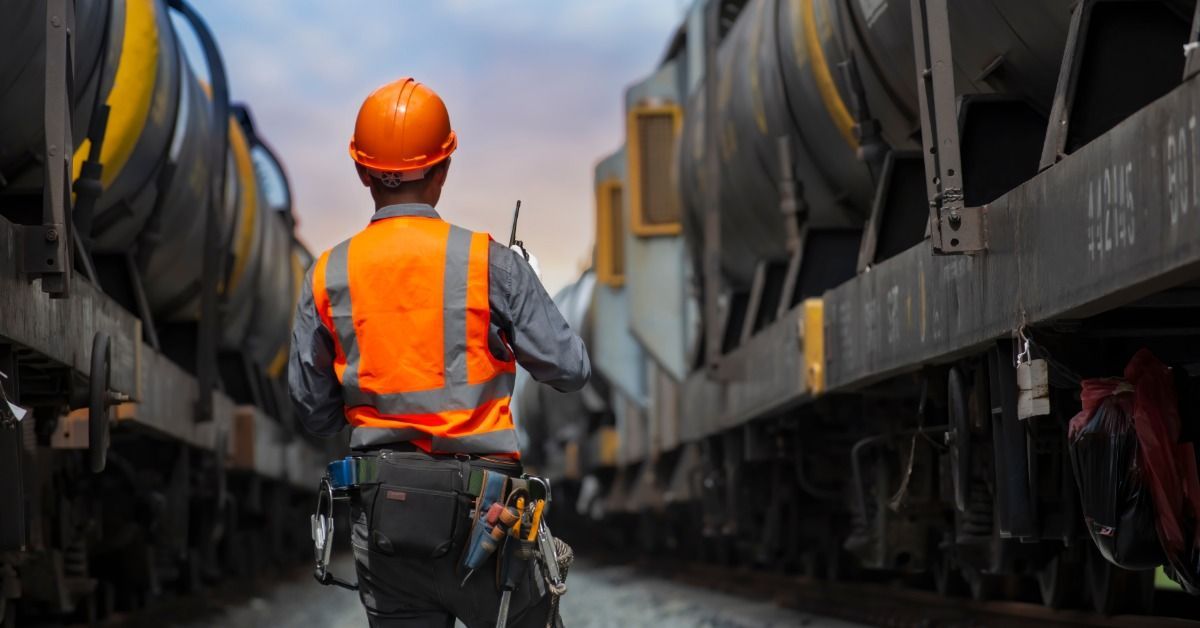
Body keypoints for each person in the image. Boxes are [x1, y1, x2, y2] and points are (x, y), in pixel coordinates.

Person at [289, 77, 590, 628]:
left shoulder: (327, 275)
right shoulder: (490, 264)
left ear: (361, 172)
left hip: (385, 519)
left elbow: (313, 410)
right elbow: (570, 369)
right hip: (488, 516)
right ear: (444, 169)